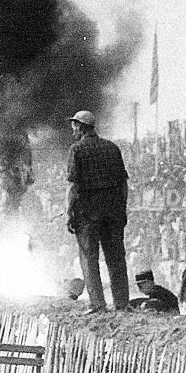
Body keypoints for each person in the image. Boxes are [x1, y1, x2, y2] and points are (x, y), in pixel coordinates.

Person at [65, 110, 130, 313]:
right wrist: (122, 208)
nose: (73, 129)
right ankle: (122, 303)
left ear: (82, 127)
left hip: (88, 214)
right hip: (113, 212)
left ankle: (98, 304)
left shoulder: (76, 150)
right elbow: (123, 184)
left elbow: (74, 186)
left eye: (75, 125)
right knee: (116, 258)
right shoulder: (112, 148)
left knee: (89, 258)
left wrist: (69, 211)